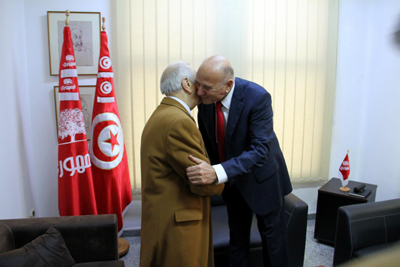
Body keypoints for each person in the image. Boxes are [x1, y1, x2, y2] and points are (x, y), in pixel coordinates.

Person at [186, 55, 293, 267]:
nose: (199, 93)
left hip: (264, 180)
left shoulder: (258, 97)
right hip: (233, 183)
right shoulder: (206, 101)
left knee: (274, 244)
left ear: (228, 86)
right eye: (198, 85)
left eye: (205, 88)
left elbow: (260, 150)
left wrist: (218, 172)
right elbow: (210, 143)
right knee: (237, 239)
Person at [140, 61, 224, 267]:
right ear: (187, 84)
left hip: (164, 216)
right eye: (198, 83)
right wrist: (223, 176)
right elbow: (206, 181)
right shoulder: (179, 121)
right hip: (179, 225)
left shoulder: (163, 113)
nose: (202, 89)